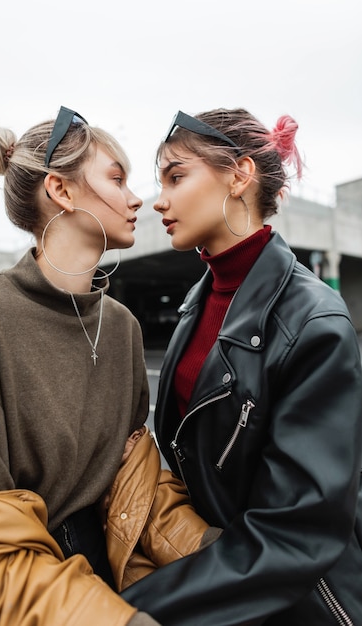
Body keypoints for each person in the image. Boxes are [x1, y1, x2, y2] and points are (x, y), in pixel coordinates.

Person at [121, 108, 362, 624]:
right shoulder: (196, 302)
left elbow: (296, 532)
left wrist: (134, 609)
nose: (158, 199)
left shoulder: (315, 321)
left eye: (176, 176)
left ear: (240, 175)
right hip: (220, 578)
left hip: (303, 603)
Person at [0, 105, 157, 625]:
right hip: (23, 593)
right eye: (116, 178)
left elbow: (130, 488)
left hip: (116, 574)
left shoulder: (125, 326)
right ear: (60, 191)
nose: (136, 199)